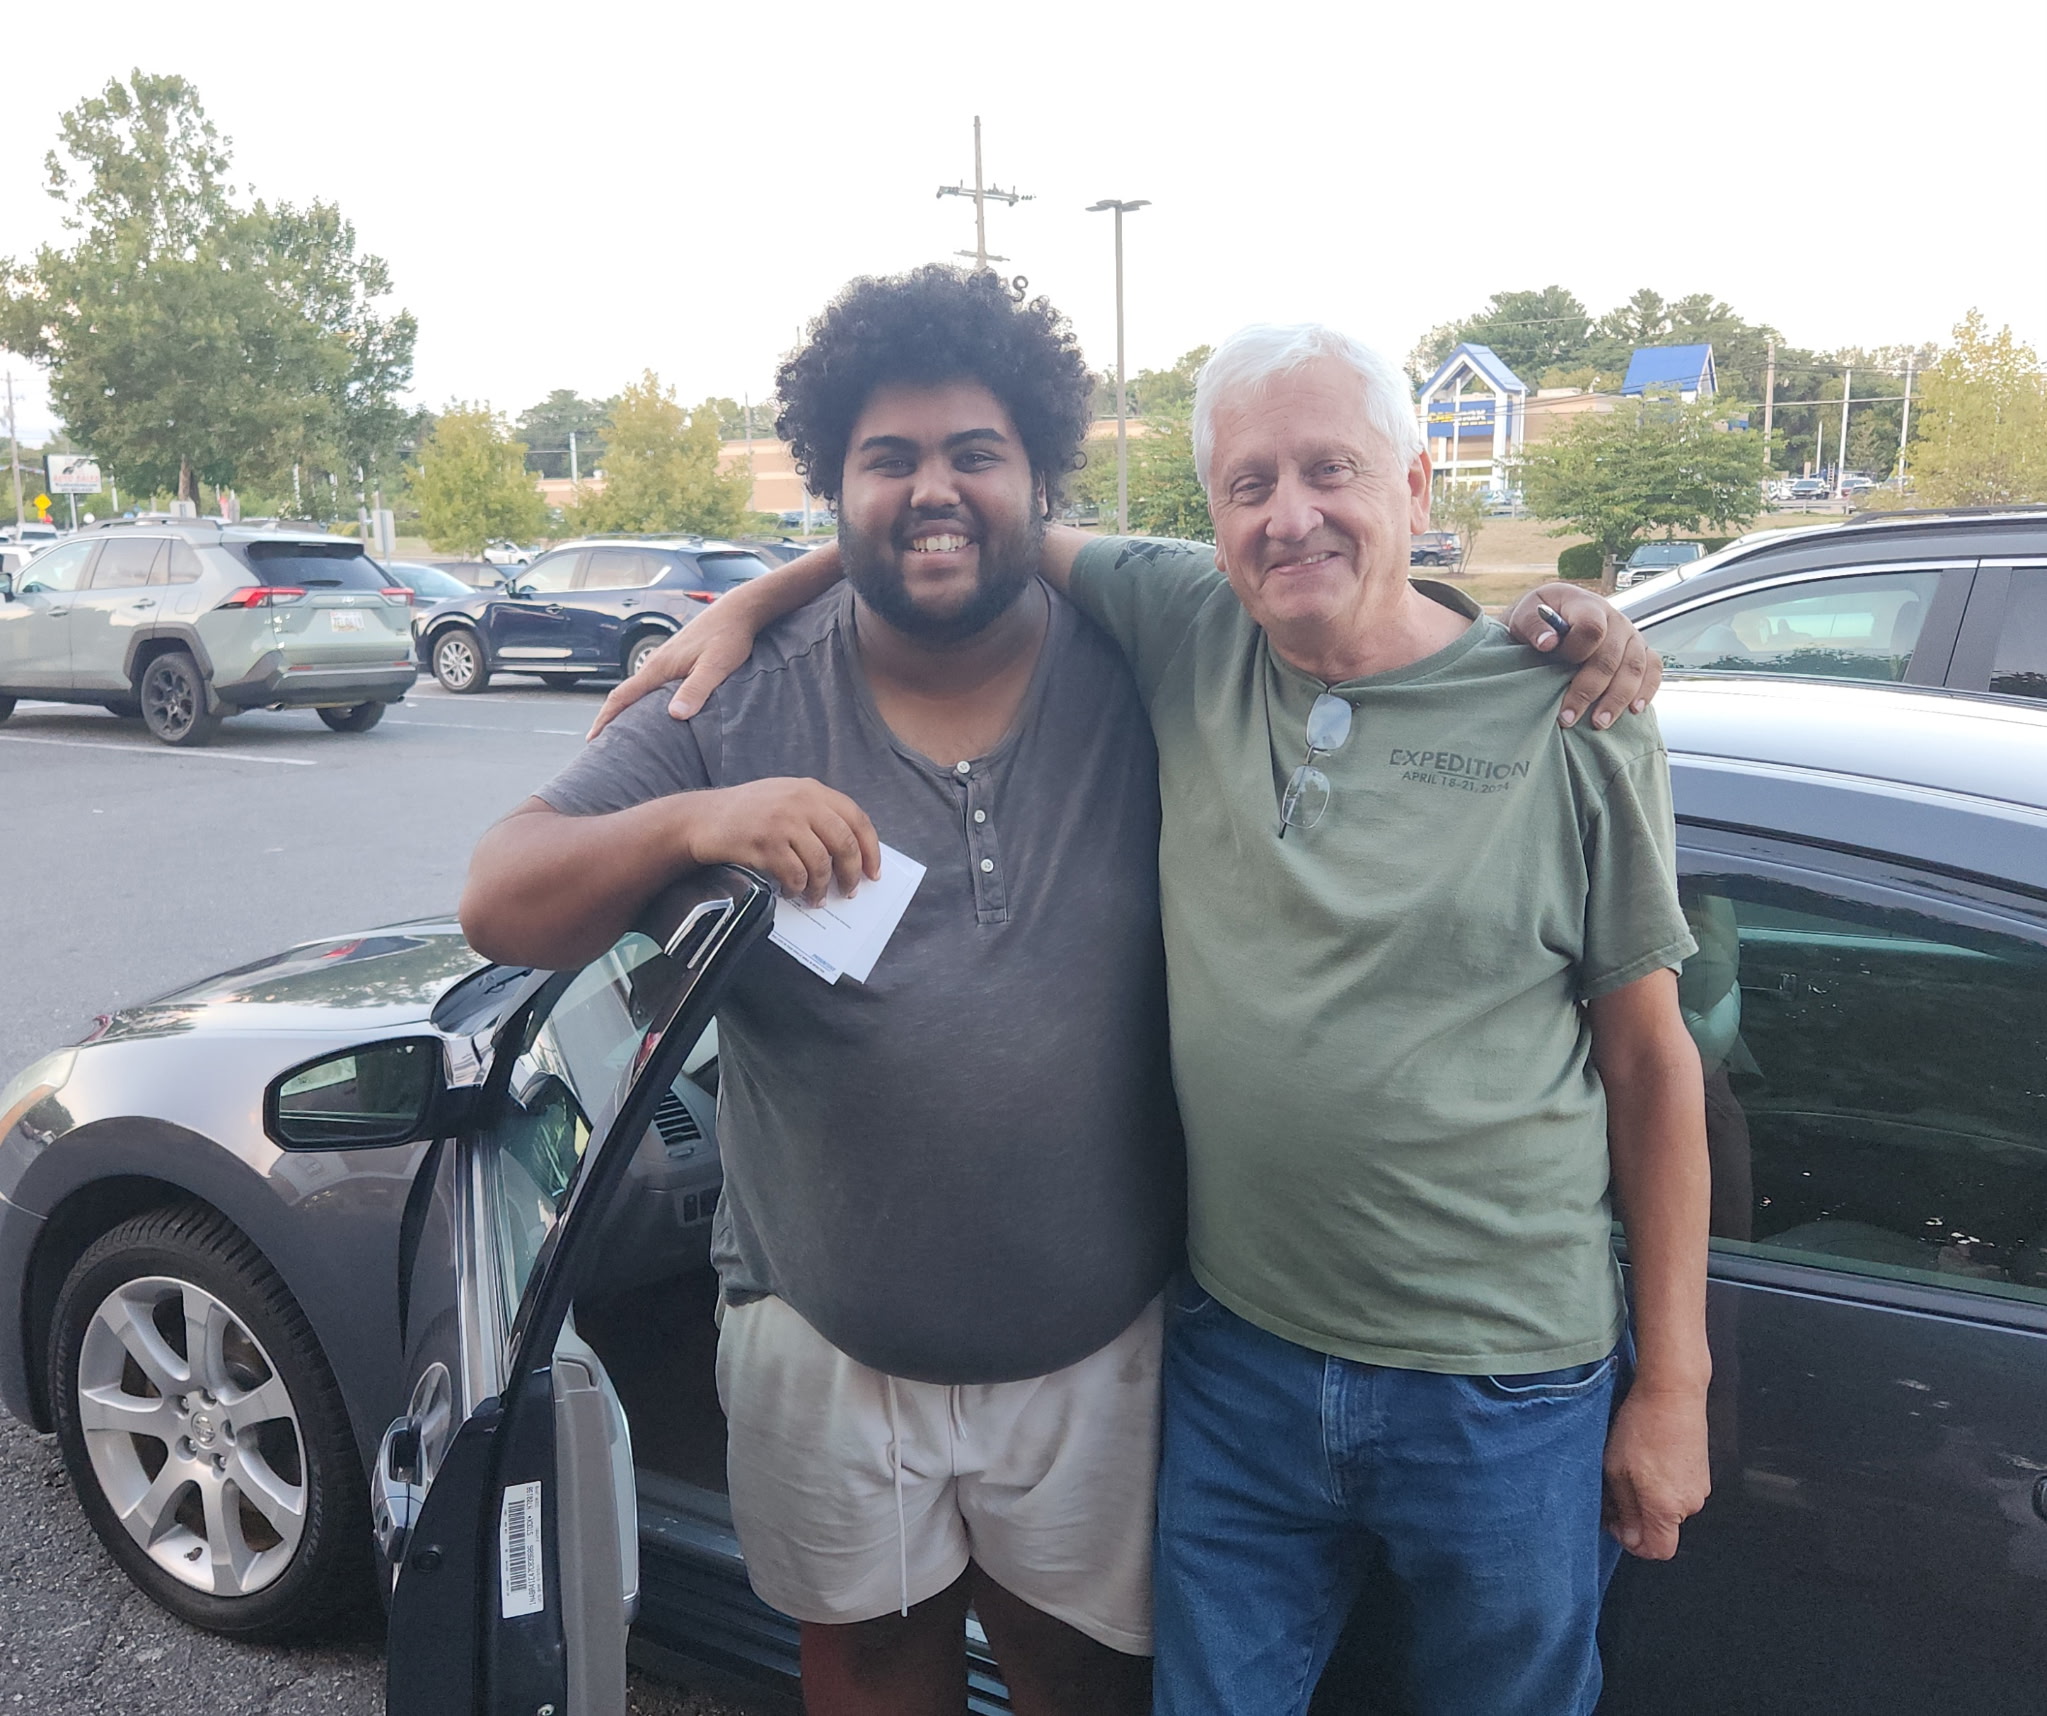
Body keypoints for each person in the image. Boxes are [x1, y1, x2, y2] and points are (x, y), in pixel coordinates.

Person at [603, 321, 1706, 1716]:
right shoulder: (1192, 626)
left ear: (1418, 490)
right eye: (1248, 486)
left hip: (1503, 1384)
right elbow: (955, 533)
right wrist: (761, 596)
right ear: (1213, 521)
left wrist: (1675, 1387)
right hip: (1237, 1358)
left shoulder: (1574, 716)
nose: (1289, 516)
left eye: (1331, 471)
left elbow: (1652, 1067)